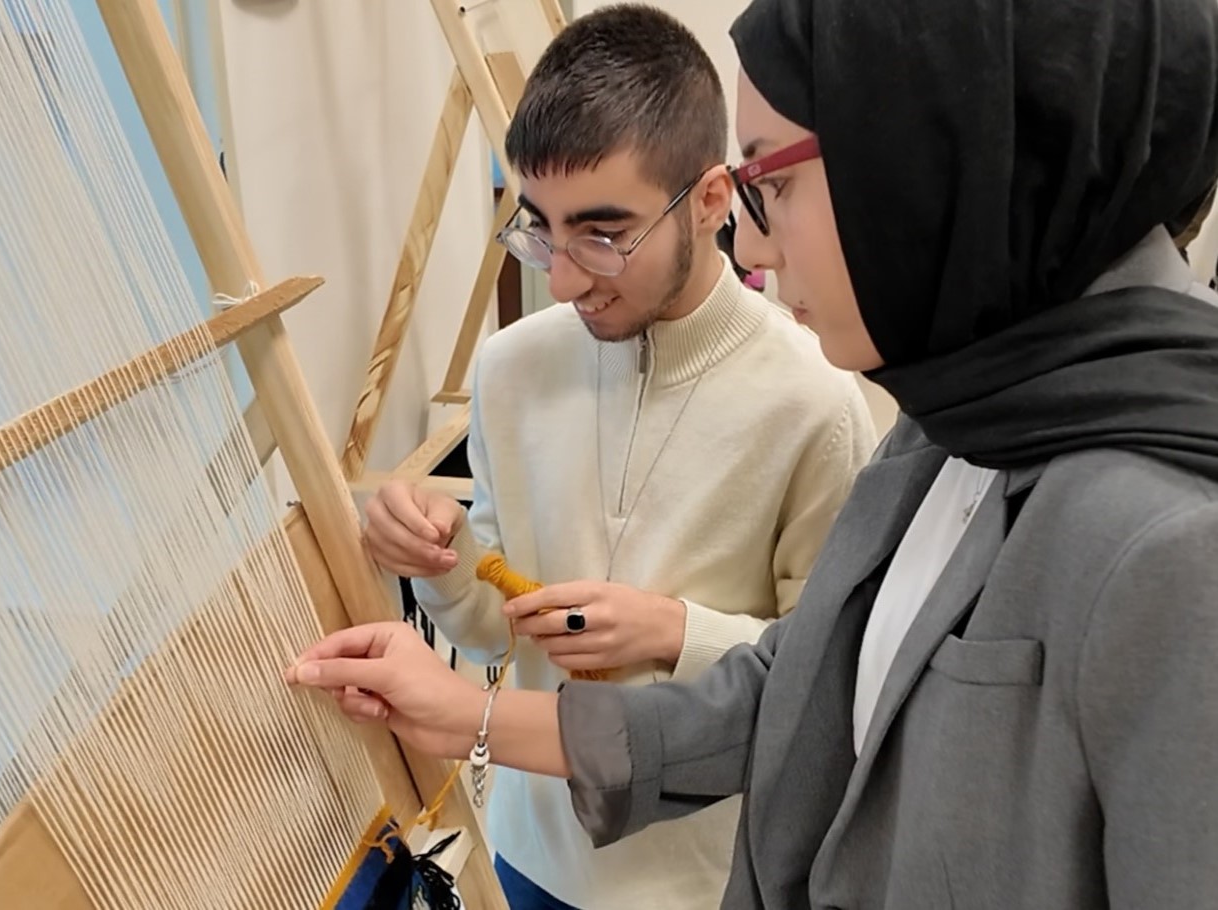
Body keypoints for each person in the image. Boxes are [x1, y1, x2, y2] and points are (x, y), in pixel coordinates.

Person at [291, 0, 1218, 905]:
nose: (758, 244)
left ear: (934, 166)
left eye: (771, 183)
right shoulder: (945, 426)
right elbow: (804, 682)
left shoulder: (1172, 542)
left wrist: (664, 633)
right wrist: (470, 688)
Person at [358, 6, 875, 909]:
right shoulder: (512, 366)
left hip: (709, 881)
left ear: (712, 199)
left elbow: (838, 684)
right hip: (530, 849)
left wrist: (675, 630)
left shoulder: (814, 401)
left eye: (603, 232)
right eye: (540, 227)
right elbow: (485, 626)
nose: (560, 278)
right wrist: (435, 558)